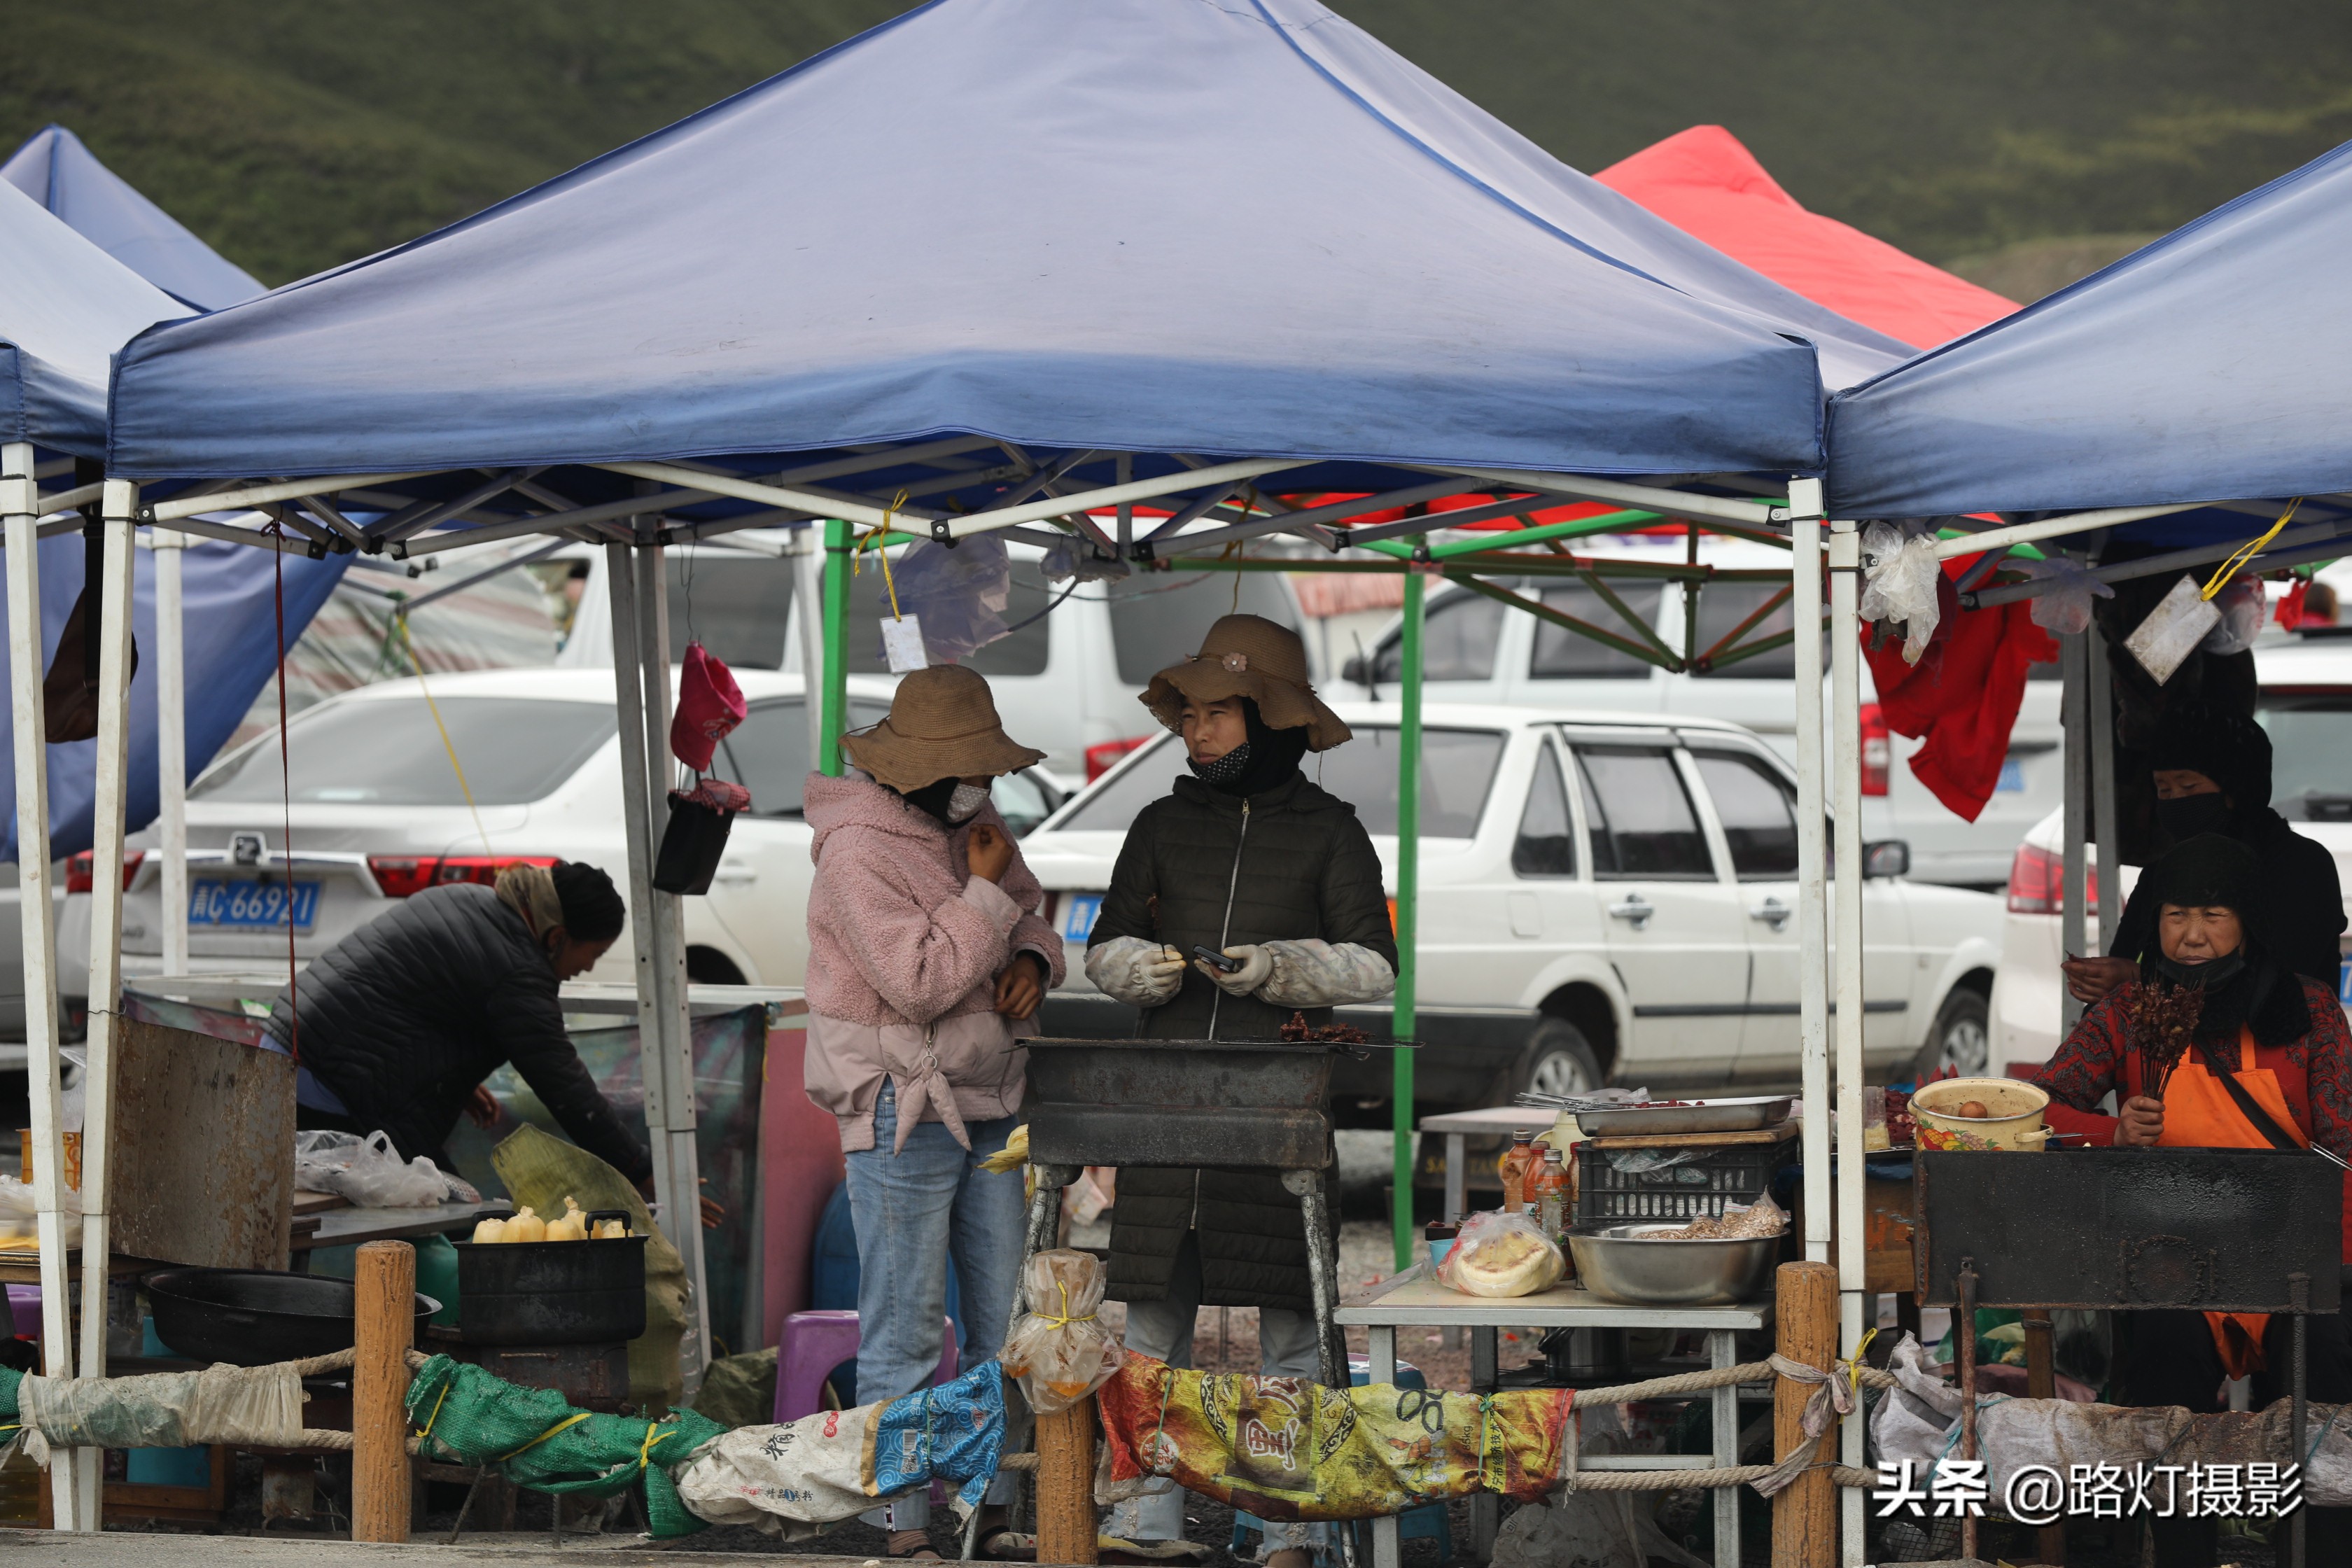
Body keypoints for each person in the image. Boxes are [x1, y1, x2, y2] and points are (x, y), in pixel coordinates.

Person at [1085, 615, 1396, 1568]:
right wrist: (1135, 967)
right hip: (1167, 1111)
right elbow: (1102, 944)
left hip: (1280, 1114)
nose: (1196, 729)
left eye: (1216, 712)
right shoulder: (1160, 823)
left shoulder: (1331, 831)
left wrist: (1279, 967)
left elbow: (1376, 964)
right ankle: (1145, 1522)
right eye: (1189, 714)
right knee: (1151, 1333)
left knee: (1293, 1335)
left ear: (1267, 717)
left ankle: (1284, 1528)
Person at [802, 664, 1063, 1562]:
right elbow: (919, 981)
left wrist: (1031, 958)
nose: (981, 785)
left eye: (988, 768)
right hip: (899, 1111)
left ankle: (993, 1507)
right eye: (967, 769)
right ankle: (903, 1519)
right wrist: (984, 892)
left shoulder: (977, 829)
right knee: (907, 1325)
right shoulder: (855, 851)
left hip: (991, 1097)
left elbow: (1028, 913)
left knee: (1005, 1322)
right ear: (913, 768)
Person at [2040, 834, 2352, 1566]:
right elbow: (2039, 1107)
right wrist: (2112, 1130)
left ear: (2248, 921)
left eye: (2214, 915)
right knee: (2164, 1376)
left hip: (2292, 1248)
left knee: (2324, 1381)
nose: (2192, 935)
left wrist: (2332, 1267)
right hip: (2170, 1250)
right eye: (2176, 915)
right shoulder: (2130, 1009)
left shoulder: (2309, 1007)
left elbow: (2343, 1142)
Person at [268, 860, 651, 1191]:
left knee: (438, 1203)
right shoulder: (519, 971)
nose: (589, 968)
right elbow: (567, 1088)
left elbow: (418, 1000)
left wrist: (450, 1078)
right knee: (437, 1215)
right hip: (331, 1079)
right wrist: (639, 1169)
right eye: (595, 953)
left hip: (287, 1047)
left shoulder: (470, 898)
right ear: (558, 937)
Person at [2063, 697, 2344, 1005]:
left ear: (2236, 790)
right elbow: (2128, 954)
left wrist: (2139, 978)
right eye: (2164, 789)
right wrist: (2104, 983)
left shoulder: (2301, 865)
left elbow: (2282, 983)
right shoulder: (2164, 870)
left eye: (2189, 787)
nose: (2175, 800)